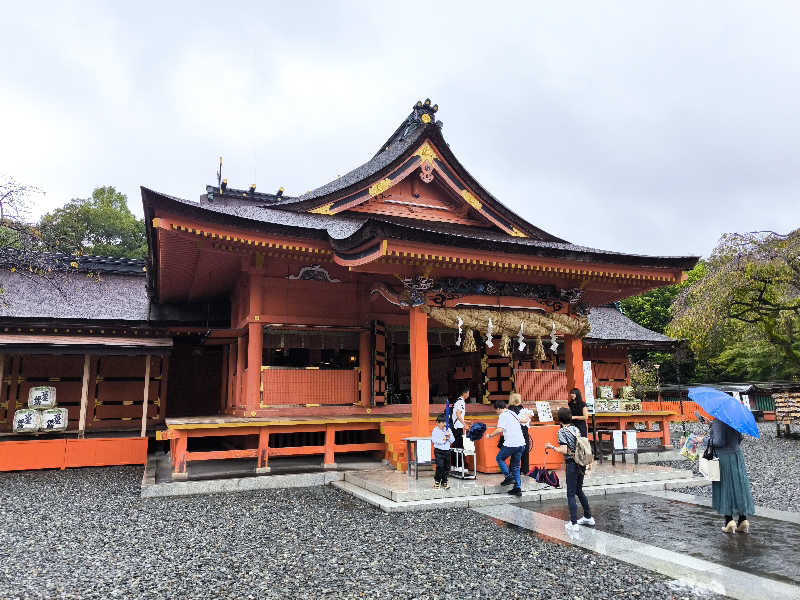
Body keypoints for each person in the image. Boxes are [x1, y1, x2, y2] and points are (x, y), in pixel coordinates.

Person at [546, 407, 594, 533]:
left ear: (559, 419)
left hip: (572, 464)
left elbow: (564, 449)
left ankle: (573, 523)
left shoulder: (562, 431)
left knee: (571, 493)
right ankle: (588, 516)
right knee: (579, 490)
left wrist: (551, 447)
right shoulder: (575, 429)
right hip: (581, 462)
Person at [709, 418, 755, 533]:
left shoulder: (718, 420)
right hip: (737, 456)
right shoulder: (734, 418)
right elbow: (740, 438)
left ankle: (729, 521)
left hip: (723, 457)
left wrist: (703, 440)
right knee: (739, 486)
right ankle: (743, 520)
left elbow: (719, 441)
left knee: (725, 487)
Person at [487, 399, 525, 496]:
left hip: (512, 443)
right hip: (521, 443)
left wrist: (490, 435)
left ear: (499, 408)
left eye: (496, 410)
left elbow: (500, 429)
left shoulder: (503, 415)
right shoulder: (512, 413)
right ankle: (517, 488)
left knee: (499, 458)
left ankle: (508, 476)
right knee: (516, 466)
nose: (496, 412)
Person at [508, 393, 533, 476]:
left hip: (515, 432)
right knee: (525, 451)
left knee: (515, 451)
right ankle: (525, 469)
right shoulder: (522, 408)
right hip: (524, 431)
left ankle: (512, 470)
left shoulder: (510, 409)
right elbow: (527, 419)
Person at [431, 414, 455, 489]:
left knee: (447, 467)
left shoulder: (448, 429)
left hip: (447, 451)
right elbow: (434, 440)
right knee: (440, 466)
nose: (442, 424)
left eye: (444, 422)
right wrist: (443, 440)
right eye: (440, 422)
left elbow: (453, 440)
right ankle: (437, 481)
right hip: (438, 451)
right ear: (437, 423)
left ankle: (444, 481)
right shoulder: (435, 430)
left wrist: (449, 436)